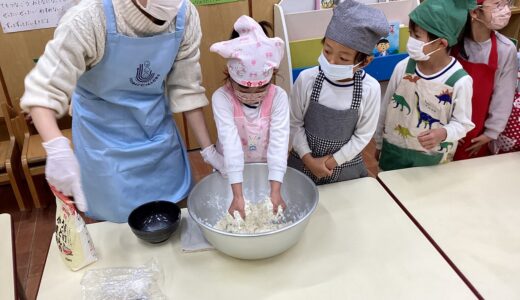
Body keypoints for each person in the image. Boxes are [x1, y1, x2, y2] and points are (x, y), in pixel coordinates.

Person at [20, 0, 222, 222]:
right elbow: (42, 91)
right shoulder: (89, 18)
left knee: (174, 214)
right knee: (117, 227)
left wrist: (208, 151)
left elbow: (187, 90)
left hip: (156, 131)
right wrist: (57, 148)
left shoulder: (186, 15)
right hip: (102, 139)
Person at [289, 0, 388, 184]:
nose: (331, 62)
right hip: (303, 161)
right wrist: (309, 160)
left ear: (365, 62)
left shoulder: (369, 88)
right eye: (327, 51)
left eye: (343, 58)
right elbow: (294, 124)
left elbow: (363, 135)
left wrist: (332, 162)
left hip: (345, 166)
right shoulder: (306, 79)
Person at [375, 0, 475, 171]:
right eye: (411, 33)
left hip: (432, 161)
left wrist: (443, 133)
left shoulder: (460, 80)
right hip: (393, 152)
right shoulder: (403, 67)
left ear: (441, 43)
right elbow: (386, 108)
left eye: (417, 36)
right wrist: (378, 143)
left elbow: (463, 123)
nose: (411, 40)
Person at [209, 16, 289, 219]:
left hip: (266, 167)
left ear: (272, 74)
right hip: (232, 170)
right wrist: (237, 196)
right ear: (230, 73)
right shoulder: (222, 98)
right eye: (244, 88)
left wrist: (275, 191)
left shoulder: (278, 97)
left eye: (262, 88)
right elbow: (231, 143)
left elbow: (279, 144)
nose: (253, 95)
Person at [452, 0, 517, 159]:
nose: (505, 10)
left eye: (506, 3)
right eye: (497, 4)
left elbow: (504, 95)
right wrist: (448, 129)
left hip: (478, 135)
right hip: (446, 129)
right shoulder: (452, 42)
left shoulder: (505, 49)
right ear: (474, 12)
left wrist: (491, 133)